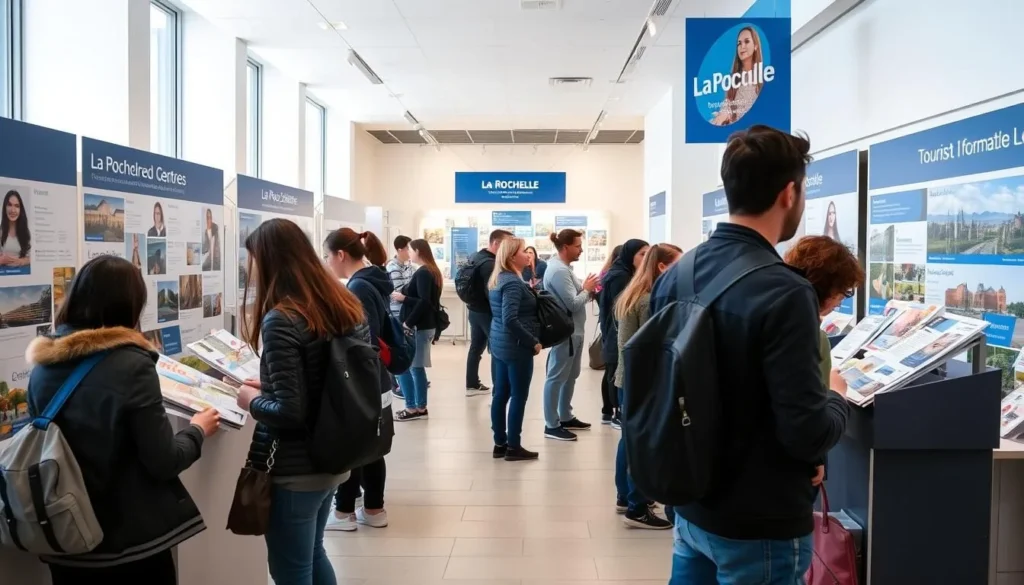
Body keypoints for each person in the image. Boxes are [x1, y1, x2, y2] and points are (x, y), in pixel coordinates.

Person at [650, 125, 850, 584]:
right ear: (789, 193)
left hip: (693, 505)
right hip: (760, 522)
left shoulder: (678, 274)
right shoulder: (785, 292)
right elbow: (806, 432)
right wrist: (836, 398)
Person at [25, 255, 220, 584]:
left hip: (63, 535)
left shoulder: (43, 365)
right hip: (127, 542)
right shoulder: (132, 365)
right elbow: (163, 460)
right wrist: (198, 431)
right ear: (129, 304)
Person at [235, 218, 371, 585]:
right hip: (336, 454)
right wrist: (271, 384)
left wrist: (250, 399)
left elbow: (290, 412)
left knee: (291, 570)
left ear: (269, 261)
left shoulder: (282, 319)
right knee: (313, 554)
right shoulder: (343, 304)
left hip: (296, 469)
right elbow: (320, 379)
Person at [322, 227, 395, 532]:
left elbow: (359, 341)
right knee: (372, 444)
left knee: (357, 445)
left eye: (327, 255)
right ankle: (373, 508)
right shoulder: (372, 280)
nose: (326, 262)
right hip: (376, 377)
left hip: (363, 378)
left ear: (340, 255)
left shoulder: (359, 288)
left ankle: (343, 512)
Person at [613, 243, 682, 529]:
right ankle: (637, 506)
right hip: (642, 379)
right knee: (644, 443)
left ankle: (626, 495)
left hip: (626, 377)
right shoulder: (650, 300)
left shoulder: (633, 294)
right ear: (662, 267)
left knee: (630, 439)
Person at [540, 229, 599, 441]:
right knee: (556, 377)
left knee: (570, 376)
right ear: (565, 247)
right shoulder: (558, 271)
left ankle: (565, 415)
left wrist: (587, 290)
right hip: (566, 333)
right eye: (578, 246)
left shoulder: (564, 268)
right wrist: (587, 290)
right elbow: (573, 304)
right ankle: (551, 424)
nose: (581, 250)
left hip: (575, 332)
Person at [783, 235, 864, 384]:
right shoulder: (814, 339)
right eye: (843, 291)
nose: (839, 302)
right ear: (832, 290)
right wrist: (837, 393)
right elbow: (820, 406)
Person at [488, 237, 541, 461]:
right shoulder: (511, 282)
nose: (528, 255)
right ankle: (514, 446)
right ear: (511, 257)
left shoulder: (499, 278)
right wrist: (533, 341)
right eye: (523, 252)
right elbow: (510, 318)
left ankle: (500, 443)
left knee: (500, 393)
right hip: (516, 347)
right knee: (518, 396)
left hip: (500, 344)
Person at [597, 239, 649, 428]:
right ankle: (617, 412)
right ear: (630, 255)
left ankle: (611, 411)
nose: (646, 258)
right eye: (643, 254)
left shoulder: (624, 273)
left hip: (615, 331)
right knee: (615, 372)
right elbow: (623, 311)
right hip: (616, 331)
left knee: (613, 371)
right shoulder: (621, 277)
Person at [392, 239, 442, 421]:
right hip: (424, 326)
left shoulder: (423, 273)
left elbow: (424, 301)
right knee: (416, 367)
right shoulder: (431, 271)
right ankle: (419, 407)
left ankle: (414, 408)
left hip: (418, 326)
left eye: (410, 250)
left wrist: (405, 303)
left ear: (418, 251)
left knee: (411, 367)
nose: (409, 253)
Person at [463, 229, 513, 397]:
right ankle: (497, 389)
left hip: (474, 310)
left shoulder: (475, 257)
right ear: (496, 243)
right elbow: (491, 292)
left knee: (476, 347)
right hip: (487, 313)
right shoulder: (491, 264)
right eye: (507, 244)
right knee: (496, 349)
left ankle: (471, 383)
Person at [711, 26, 764, 126]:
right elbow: (727, 102)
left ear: (756, 45)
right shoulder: (734, 79)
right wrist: (724, 114)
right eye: (739, 43)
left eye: (747, 41)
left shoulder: (764, 76)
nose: (742, 46)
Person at [0, 189, 31, 267]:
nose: (13, 210)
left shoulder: (26, 232)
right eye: (9, 205)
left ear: (20, 210)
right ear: (5, 207)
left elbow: (31, 257)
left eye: (17, 206)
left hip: (22, 275)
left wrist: (20, 261)